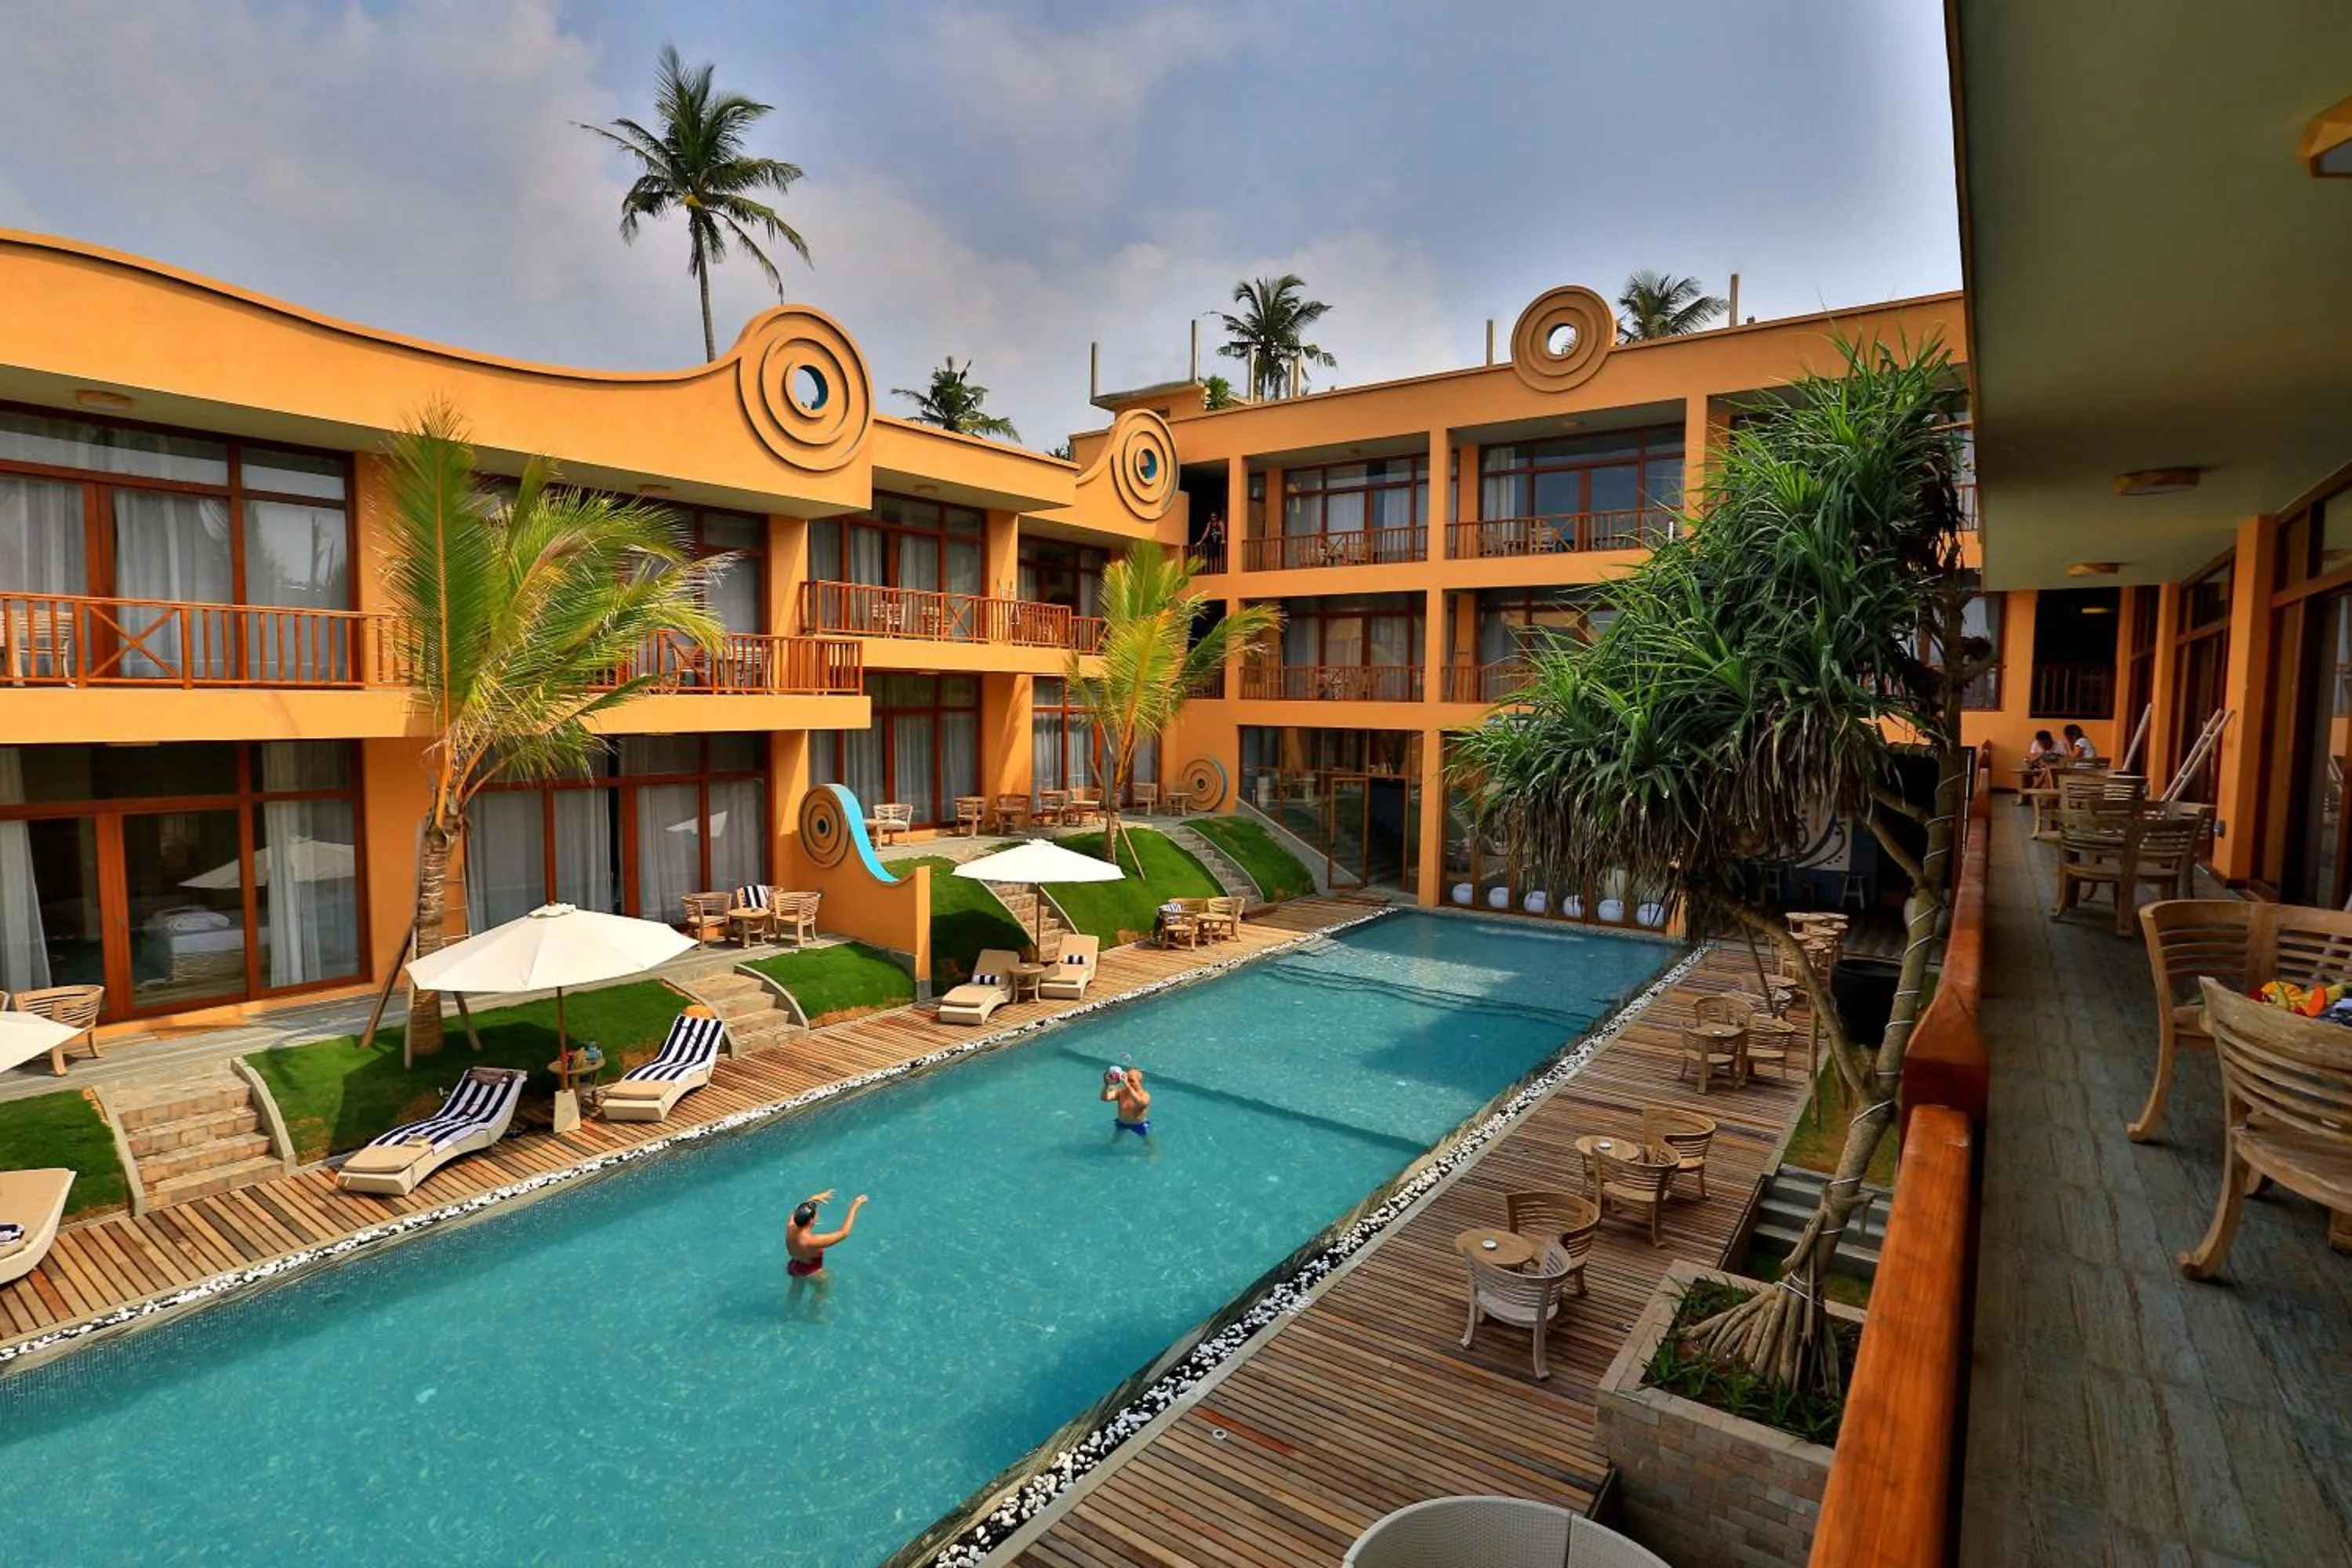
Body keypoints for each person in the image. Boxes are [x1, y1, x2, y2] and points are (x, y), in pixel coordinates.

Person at [786, 1189, 866, 1279]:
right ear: (811, 1221)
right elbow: (844, 1233)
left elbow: (798, 1210)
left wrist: (812, 1199)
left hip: (794, 1265)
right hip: (811, 1271)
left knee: (796, 1289)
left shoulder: (791, 1225)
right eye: (816, 1215)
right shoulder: (812, 1241)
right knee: (822, 1290)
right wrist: (855, 1206)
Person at [1101, 1064, 1152, 1140]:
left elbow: (1142, 1103)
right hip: (1122, 1122)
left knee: (1148, 1143)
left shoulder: (1145, 1095)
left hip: (1139, 1124)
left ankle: (1153, 1152)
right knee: (1114, 1140)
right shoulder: (1121, 1092)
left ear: (1140, 1081)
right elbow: (1105, 1098)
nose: (1128, 1082)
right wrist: (1106, 1085)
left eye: (1132, 1081)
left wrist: (1127, 1085)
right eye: (1127, 1079)